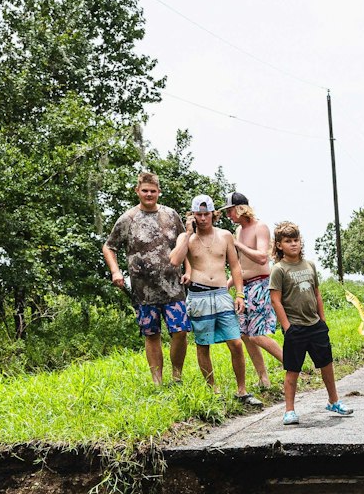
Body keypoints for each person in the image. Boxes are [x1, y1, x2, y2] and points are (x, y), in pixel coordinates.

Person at [169, 194, 263, 407]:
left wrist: (239, 293)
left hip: (221, 293)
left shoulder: (225, 235)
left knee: (236, 343)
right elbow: (174, 260)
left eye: (206, 214)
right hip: (198, 295)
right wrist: (187, 234)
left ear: (214, 214)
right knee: (203, 345)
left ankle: (242, 390)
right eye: (198, 215)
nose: (203, 219)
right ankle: (213, 390)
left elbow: (235, 266)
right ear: (192, 215)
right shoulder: (186, 238)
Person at [102, 171, 188, 386]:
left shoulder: (171, 215)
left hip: (174, 287)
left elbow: (185, 242)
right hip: (143, 290)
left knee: (180, 331)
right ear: (137, 191)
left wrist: (189, 270)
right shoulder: (127, 219)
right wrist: (115, 271)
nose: (149, 195)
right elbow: (109, 246)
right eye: (145, 191)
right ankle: (157, 381)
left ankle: (177, 377)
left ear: (159, 192)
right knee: (152, 335)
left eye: (153, 191)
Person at [268, 222, 352, 424]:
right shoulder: (279, 270)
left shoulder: (310, 265)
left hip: (315, 325)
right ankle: (289, 410)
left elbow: (317, 293)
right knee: (292, 370)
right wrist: (287, 327)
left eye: (296, 240)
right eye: (288, 241)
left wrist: (322, 320)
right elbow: (275, 300)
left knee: (327, 365)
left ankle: (334, 401)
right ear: (279, 245)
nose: (293, 244)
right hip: (295, 327)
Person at [226, 192, 284, 389]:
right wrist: (229, 283)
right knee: (244, 334)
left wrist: (237, 244)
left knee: (257, 334)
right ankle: (263, 378)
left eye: (230, 211)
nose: (228, 216)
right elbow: (240, 266)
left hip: (260, 285)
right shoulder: (238, 231)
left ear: (240, 208)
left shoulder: (260, 227)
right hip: (245, 287)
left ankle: (292, 365)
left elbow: (261, 257)